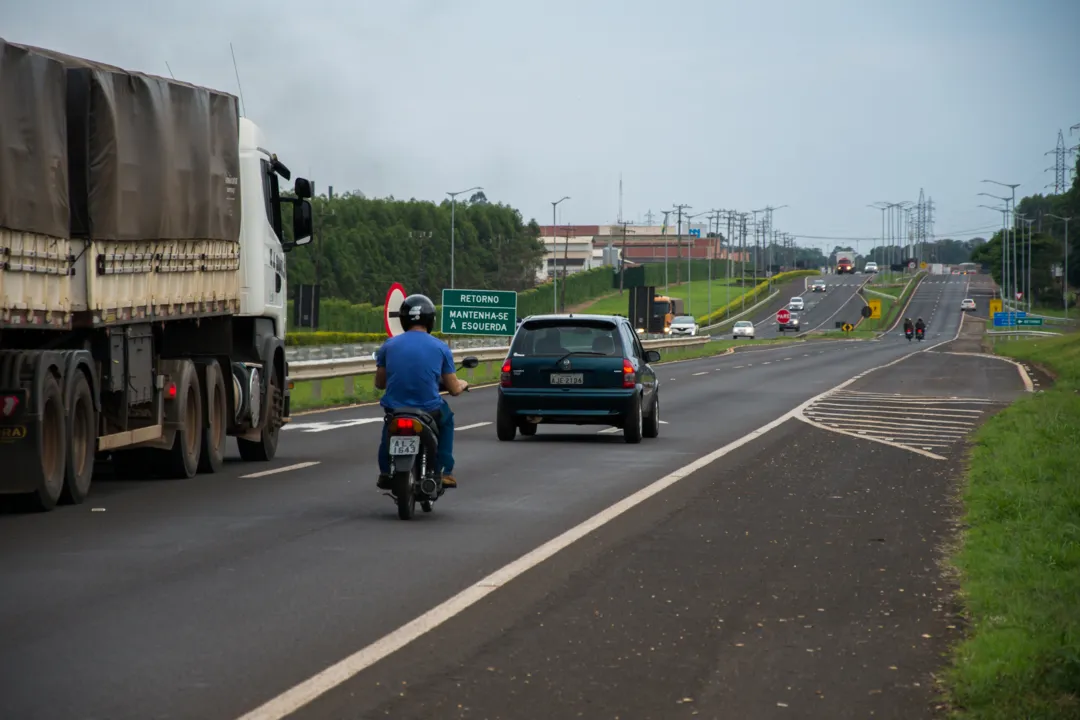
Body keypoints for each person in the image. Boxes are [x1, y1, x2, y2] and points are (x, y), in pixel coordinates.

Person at [374, 294, 468, 489]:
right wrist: (463, 383)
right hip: (429, 409)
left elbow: (380, 383)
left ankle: (385, 471)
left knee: (388, 428)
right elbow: (453, 389)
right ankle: (445, 471)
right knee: (447, 419)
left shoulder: (388, 345)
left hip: (396, 407)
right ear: (430, 319)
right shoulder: (441, 347)